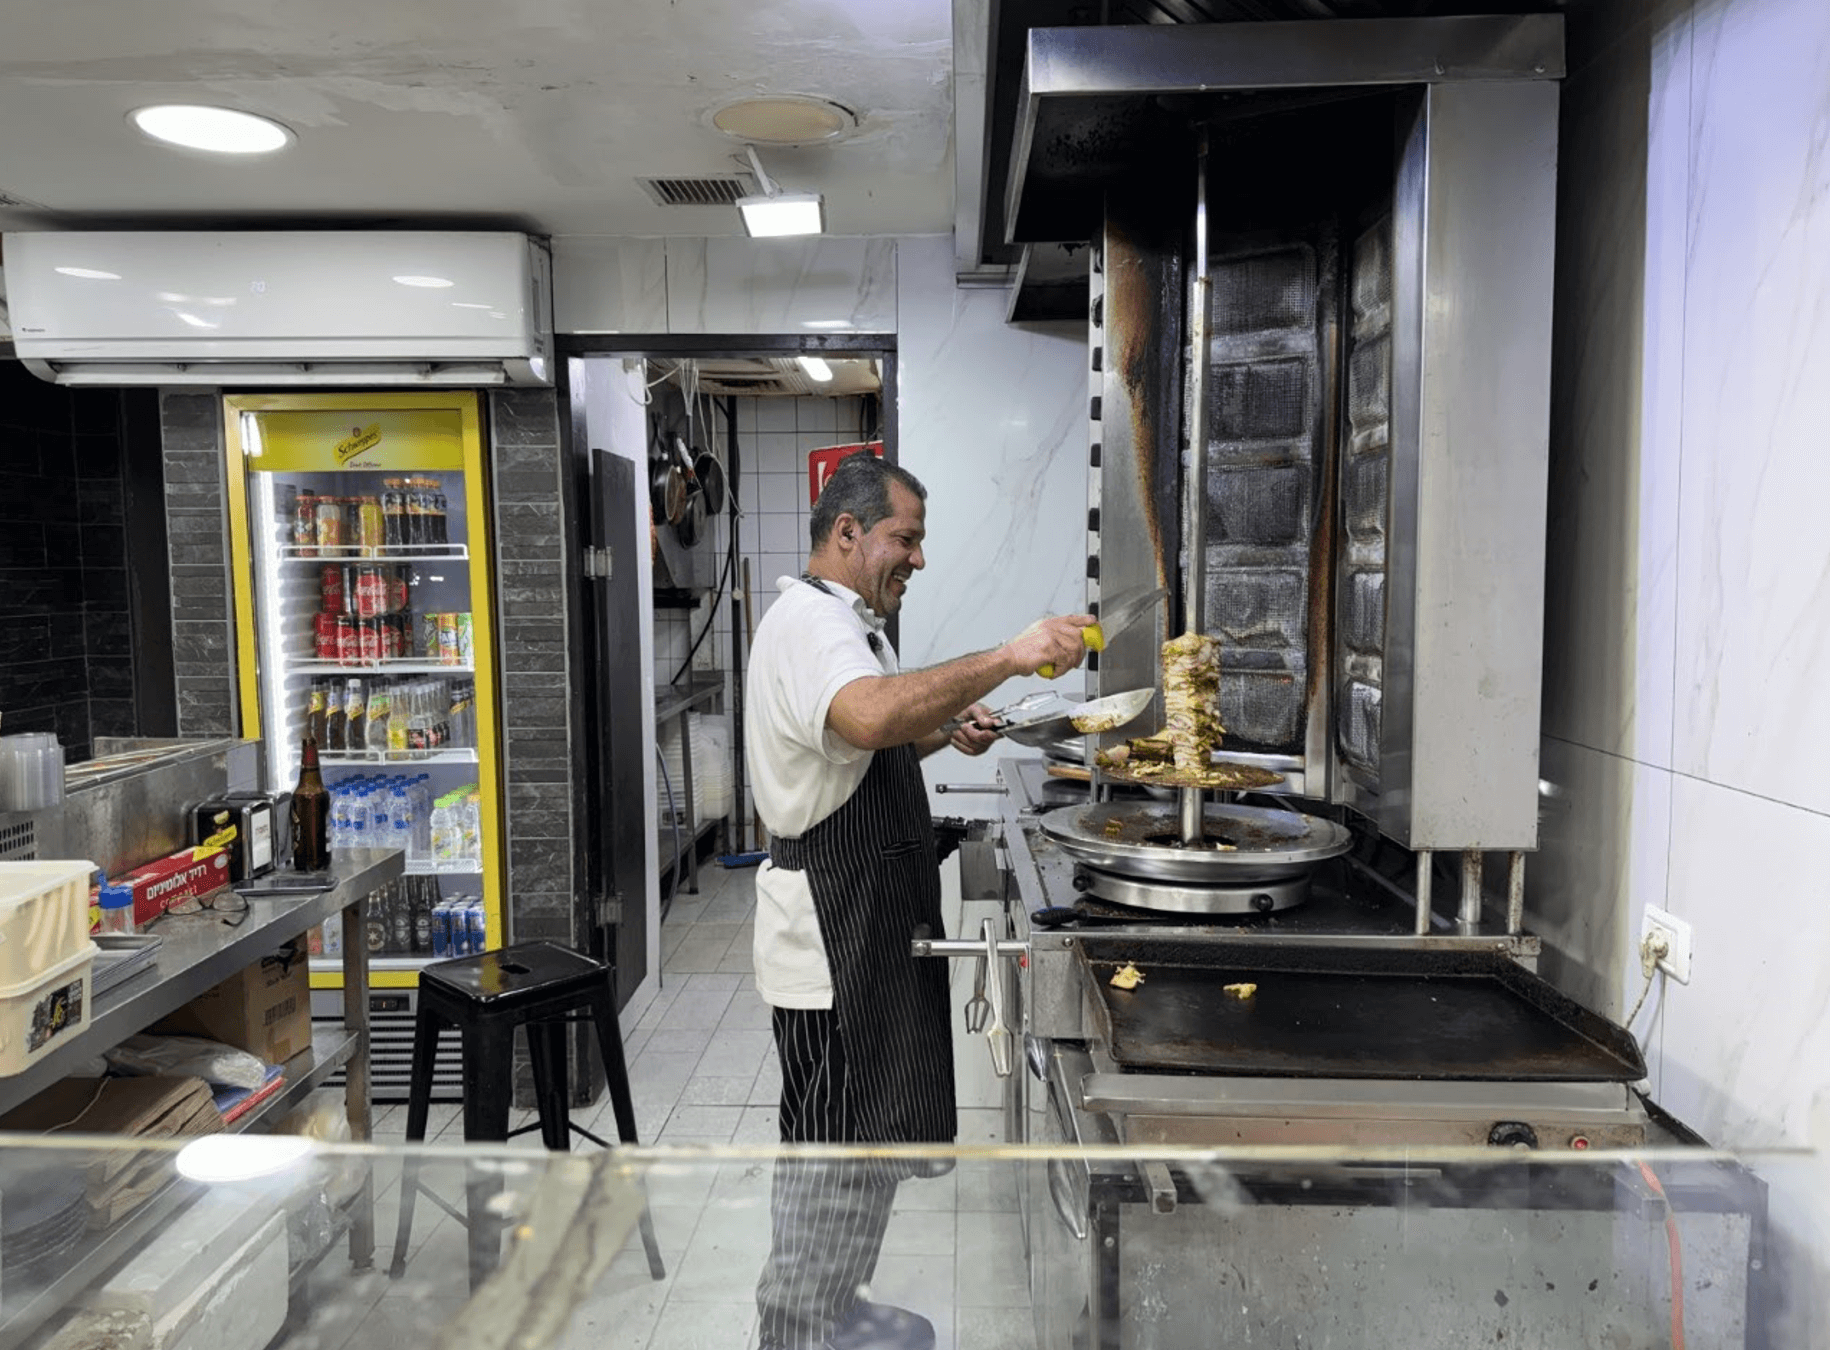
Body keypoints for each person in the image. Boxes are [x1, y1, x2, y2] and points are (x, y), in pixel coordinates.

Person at [744, 452, 1092, 1350]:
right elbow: (866, 717)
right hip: (831, 939)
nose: (919, 558)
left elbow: (854, 746)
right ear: (847, 532)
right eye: (907, 538)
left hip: (859, 922)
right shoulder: (811, 623)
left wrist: (943, 734)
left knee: (865, 1146)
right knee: (832, 1151)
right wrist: (1013, 655)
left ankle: (835, 1304)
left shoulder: (843, 621)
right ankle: (795, 1332)